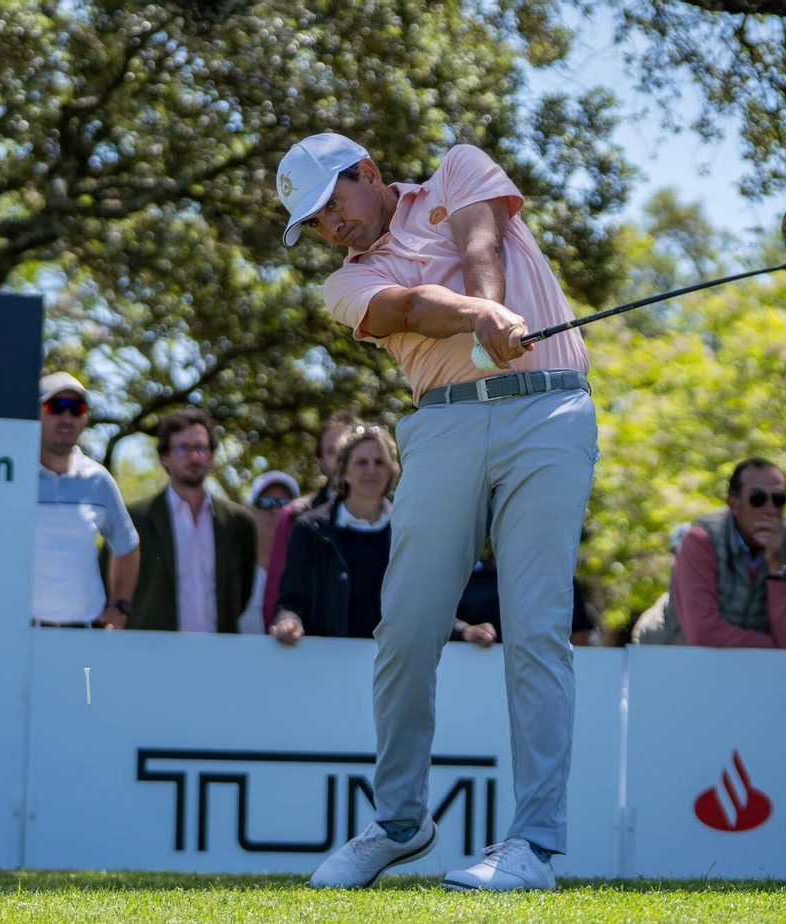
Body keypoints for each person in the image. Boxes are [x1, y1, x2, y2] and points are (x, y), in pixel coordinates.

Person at [276, 131, 597, 890]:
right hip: (444, 423)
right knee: (407, 630)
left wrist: (491, 308)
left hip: (548, 410)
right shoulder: (346, 284)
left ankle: (534, 846)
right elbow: (411, 307)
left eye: (333, 203)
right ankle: (398, 823)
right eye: (316, 222)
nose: (332, 227)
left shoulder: (459, 167)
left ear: (371, 172)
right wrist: (476, 317)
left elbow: (479, 233)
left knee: (537, 626)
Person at [648, 459, 786, 648]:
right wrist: (772, 648)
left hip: (749, 666)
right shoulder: (701, 539)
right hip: (668, 653)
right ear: (732, 504)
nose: (770, 509)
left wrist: (777, 565)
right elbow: (703, 632)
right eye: (757, 499)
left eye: (779, 500)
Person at [126, 408, 257, 633]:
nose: (194, 457)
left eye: (201, 448)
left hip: (218, 654)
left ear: (212, 455)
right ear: (164, 457)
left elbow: (242, 595)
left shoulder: (239, 522)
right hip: (154, 655)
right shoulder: (136, 519)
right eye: (184, 448)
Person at [269, 425, 399, 644]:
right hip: (326, 665)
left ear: (391, 470)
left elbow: (425, 603)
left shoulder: (409, 529)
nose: (371, 469)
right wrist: (289, 621)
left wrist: (464, 630)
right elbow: (291, 601)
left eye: (379, 462)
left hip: (395, 665)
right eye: (361, 462)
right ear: (344, 469)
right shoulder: (309, 528)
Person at [32, 372, 139, 629]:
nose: (67, 417)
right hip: (18, 633)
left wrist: (120, 606)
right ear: (36, 413)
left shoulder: (98, 480)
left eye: (76, 409)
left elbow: (127, 545)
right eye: (56, 407)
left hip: (83, 634)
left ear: (85, 419)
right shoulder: (12, 475)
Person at [259, 411, 363, 628]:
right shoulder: (297, 516)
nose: (342, 460)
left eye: (349, 449)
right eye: (333, 452)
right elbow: (276, 600)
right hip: (312, 653)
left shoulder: (394, 515)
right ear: (321, 461)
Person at [450, 552, 596, 648]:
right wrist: (466, 631)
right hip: (473, 680)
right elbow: (439, 621)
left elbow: (579, 637)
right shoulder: (466, 576)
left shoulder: (558, 579)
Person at [239, 471, 300, 634]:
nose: (275, 510)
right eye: (265, 503)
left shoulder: (304, 569)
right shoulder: (235, 566)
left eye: (285, 503)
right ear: (251, 510)